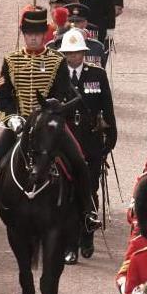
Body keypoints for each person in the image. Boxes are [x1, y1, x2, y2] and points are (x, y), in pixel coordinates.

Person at [0, 6, 101, 238]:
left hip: (48, 124)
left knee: (78, 160)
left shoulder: (57, 61)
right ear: (23, 34)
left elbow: (61, 93)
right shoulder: (11, 60)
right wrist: (12, 119)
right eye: (29, 33)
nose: (33, 37)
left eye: (37, 32)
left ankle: (88, 212)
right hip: (19, 125)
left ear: (45, 34)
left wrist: (51, 114)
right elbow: (3, 98)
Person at [58, 28, 116, 264]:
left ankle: (87, 237)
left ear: (83, 52)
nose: (73, 57)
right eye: (68, 53)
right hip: (66, 144)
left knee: (89, 191)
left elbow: (107, 109)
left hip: (91, 145)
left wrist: (110, 141)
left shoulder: (97, 75)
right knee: (68, 194)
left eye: (76, 52)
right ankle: (69, 245)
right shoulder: (58, 75)